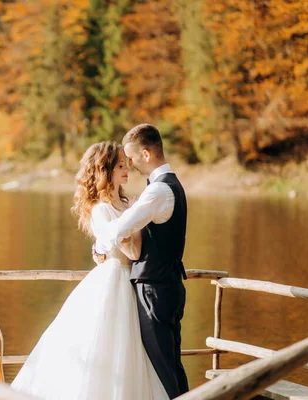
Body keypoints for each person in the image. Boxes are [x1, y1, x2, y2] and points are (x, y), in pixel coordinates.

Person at [11, 141, 169, 400]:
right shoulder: (102, 208)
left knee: (127, 352)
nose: (126, 168)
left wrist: (129, 220)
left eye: (125, 163)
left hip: (127, 282)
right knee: (104, 348)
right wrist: (131, 222)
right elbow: (133, 252)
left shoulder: (125, 203)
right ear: (106, 171)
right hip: (113, 281)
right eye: (120, 165)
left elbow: (129, 247)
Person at [93, 123, 189, 398]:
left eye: (132, 158)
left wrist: (99, 246)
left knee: (162, 370)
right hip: (170, 286)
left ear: (146, 155)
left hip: (154, 290)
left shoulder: (157, 191)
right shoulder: (173, 186)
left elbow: (119, 229)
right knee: (171, 366)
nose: (131, 165)